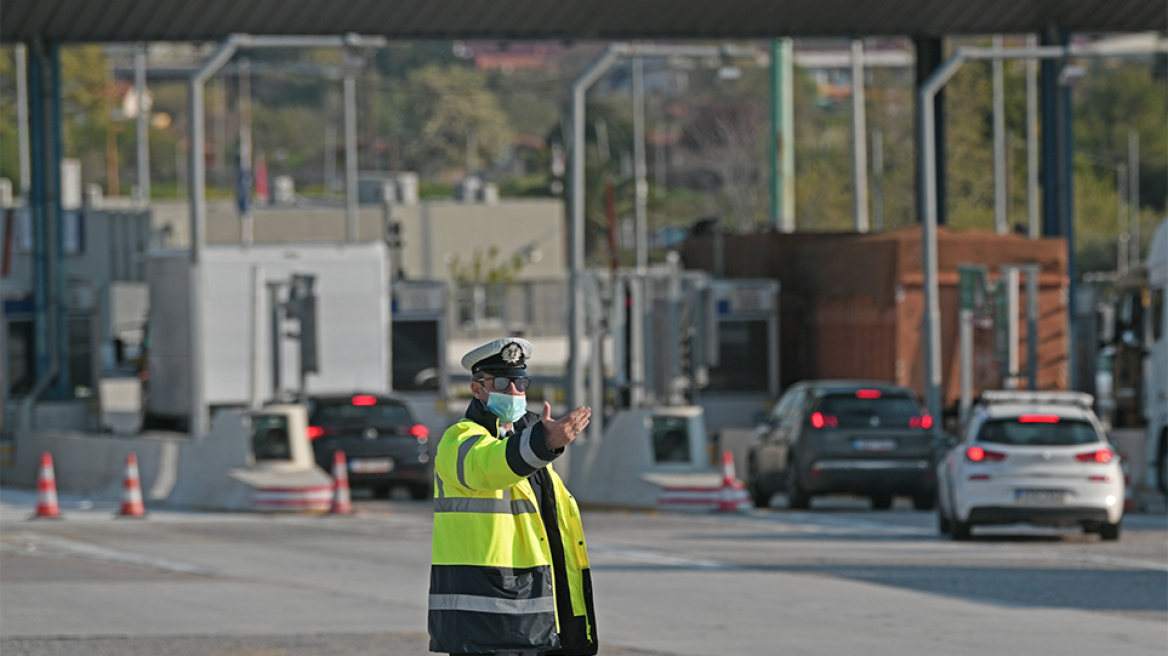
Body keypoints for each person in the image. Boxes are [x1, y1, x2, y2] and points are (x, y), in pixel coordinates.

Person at [429, 337, 597, 656]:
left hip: (534, 624)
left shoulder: (532, 450)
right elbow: (489, 464)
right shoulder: (459, 440)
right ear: (477, 389)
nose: (514, 392)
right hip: (485, 627)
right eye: (503, 383)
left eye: (520, 382)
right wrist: (543, 443)